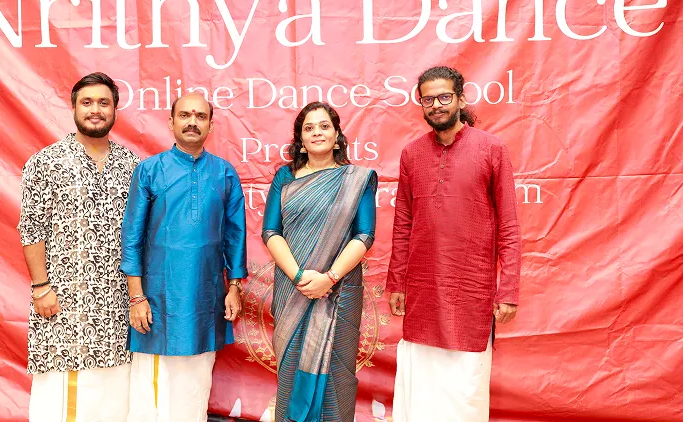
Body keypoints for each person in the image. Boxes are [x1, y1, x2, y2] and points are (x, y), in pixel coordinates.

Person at [386, 66, 522, 422]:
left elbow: (508, 226)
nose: (436, 105)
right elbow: (403, 224)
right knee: (422, 386)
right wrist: (397, 282)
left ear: (460, 99)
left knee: (465, 387)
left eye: (444, 97)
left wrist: (507, 289)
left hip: (471, 291)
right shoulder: (411, 154)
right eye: (427, 99)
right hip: (422, 290)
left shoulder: (492, 149)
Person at [17, 72, 140, 422]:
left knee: (113, 392)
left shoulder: (132, 165)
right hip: (63, 301)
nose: (95, 110)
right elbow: (31, 229)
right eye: (87, 103)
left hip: (116, 305)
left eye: (104, 103)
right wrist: (41, 287)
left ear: (115, 109)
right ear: (73, 108)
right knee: (60, 393)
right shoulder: (46, 161)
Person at [120, 92, 247, 422]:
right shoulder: (149, 170)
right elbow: (131, 238)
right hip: (156, 300)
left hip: (205, 297)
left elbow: (235, 236)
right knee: (152, 391)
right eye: (186, 115)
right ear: (171, 122)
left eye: (201, 116)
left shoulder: (224, 173)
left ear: (210, 126)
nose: (193, 121)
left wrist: (234, 286)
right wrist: (137, 298)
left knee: (195, 383)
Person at [262, 101, 378, 422]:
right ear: (299, 139)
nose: (317, 133)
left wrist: (329, 277)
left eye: (324, 126)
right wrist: (300, 276)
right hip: (292, 290)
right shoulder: (285, 177)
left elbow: (364, 235)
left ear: (338, 135)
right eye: (308, 128)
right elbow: (271, 230)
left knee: (336, 379)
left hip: (339, 293)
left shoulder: (356, 180)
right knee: (289, 372)